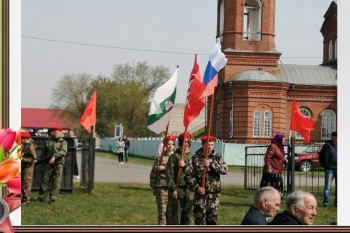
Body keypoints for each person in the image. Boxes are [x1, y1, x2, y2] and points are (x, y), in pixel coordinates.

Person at [185, 135, 227, 225]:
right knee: (199, 220)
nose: (210, 147)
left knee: (212, 220)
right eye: (208, 145)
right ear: (203, 145)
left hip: (213, 195)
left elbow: (224, 170)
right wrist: (197, 187)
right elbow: (188, 175)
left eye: (212, 145)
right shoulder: (195, 158)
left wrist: (211, 165)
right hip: (200, 195)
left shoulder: (217, 157)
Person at [165, 132, 194, 225]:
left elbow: (195, 173)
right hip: (178, 190)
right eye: (184, 142)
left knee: (188, 218)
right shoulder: (174, 157)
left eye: (187, 142)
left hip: (190, 190)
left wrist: (185, 166)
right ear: (180, 143)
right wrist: (173, 189)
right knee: (175, 217)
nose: (186, 144)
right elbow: (169, 174)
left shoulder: (193, 157)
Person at [149, 135, 176, 225]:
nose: (170, 146)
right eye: (168, 144)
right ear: (165, 145)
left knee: (172, 213)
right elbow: (153, 173)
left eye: (172, 144)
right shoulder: (160, 159)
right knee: (162, 213)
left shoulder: (177, 158)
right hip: (161, 187)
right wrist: (153, 186)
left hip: (173, 188)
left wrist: (164, 168)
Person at [38, 127, 68, 204]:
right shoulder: (49, 141)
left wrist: (55, 156)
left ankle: (53, 198)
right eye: (54, 132)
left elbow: (63, 151)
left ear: (60, 133)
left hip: (58, 163)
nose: (55, 134)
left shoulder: (63, 142)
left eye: (57, 132)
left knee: (56, 181)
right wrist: (39, 159)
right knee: (45, 180)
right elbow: (44, 152)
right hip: (49, 163)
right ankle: (42, 197)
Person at [319, 131, 337, 207]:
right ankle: (326, 202)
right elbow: (321, 156)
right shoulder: (327, 146)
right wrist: (325, 165)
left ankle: (337, 202)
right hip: (329, 169)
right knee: (327, 186)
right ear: (334, 138)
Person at [21, 132, 37, 205]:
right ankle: (24, 198)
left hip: (28, 167)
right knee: (22, 183)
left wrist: (23, 159)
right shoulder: (23, 145)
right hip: (23, 166)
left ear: (25, 139)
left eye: (21, 139)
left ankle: (26, 200)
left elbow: (34, 159)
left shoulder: (30, 146)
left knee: (26, 183)